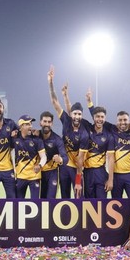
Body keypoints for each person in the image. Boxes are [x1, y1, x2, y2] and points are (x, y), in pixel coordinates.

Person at [47, 65, 88, 198]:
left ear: (82, 115)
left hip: (77, 169)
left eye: (79, 114)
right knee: (64, 198)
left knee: (78, 198)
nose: (76, 117)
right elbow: (54, 101)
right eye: (75, 114)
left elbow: (80, 160)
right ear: (72, 114)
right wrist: (51, 82)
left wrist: (78, 181)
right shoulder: (66, 120)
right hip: (64, 166)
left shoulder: (84, 134)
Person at [14, 115, 47, 198]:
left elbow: (44, 157)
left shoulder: (37, 140)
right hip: (20, 176)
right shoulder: (15, 139)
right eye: (27, 124)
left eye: (31, 124)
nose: (31, 126)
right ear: (21, 126)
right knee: (19, 204)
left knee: (35, 203)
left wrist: (40, 165)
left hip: (34, 176)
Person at [38, 111, 68, 198]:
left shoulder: (57, 139)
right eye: (45, 121)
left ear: (52, 123)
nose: (47, 124)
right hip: (38, 173)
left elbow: (65, 158)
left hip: (52, 173)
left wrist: (60, 159)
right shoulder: (35, 136)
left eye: (49, 122)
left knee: (51, 199)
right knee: (40, 200)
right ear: (40, 122)